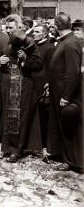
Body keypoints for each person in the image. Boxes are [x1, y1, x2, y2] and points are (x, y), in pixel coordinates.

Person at [0, 27, 43, 163]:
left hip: (24, 86)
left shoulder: (31, 48)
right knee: (8, 116)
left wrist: (26, 59)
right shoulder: (7, 49)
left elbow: (38, 66)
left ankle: (17, 150)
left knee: (21, 117)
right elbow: (1, 68)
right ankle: (7, 147)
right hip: (8, 86)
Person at [47, 13, 83, 171]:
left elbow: (72, 72)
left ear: (56, 26)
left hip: (64, 92)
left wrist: (66, 96)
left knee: (68, 125)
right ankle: (62, 155)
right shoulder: (66, 41)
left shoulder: (70, 43)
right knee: (61, 124)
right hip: (58, 89)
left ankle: (72, 161)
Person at [32, 23, 55, 147]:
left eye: (37, 32)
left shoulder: (50, 48)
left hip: (42, 83)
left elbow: (51, 68)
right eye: (33, 32)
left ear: (45, 34)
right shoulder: (33, 46)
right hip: (32, 81)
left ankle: (44, 143)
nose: (33, 34)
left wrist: (47, 83)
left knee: (42, 112)